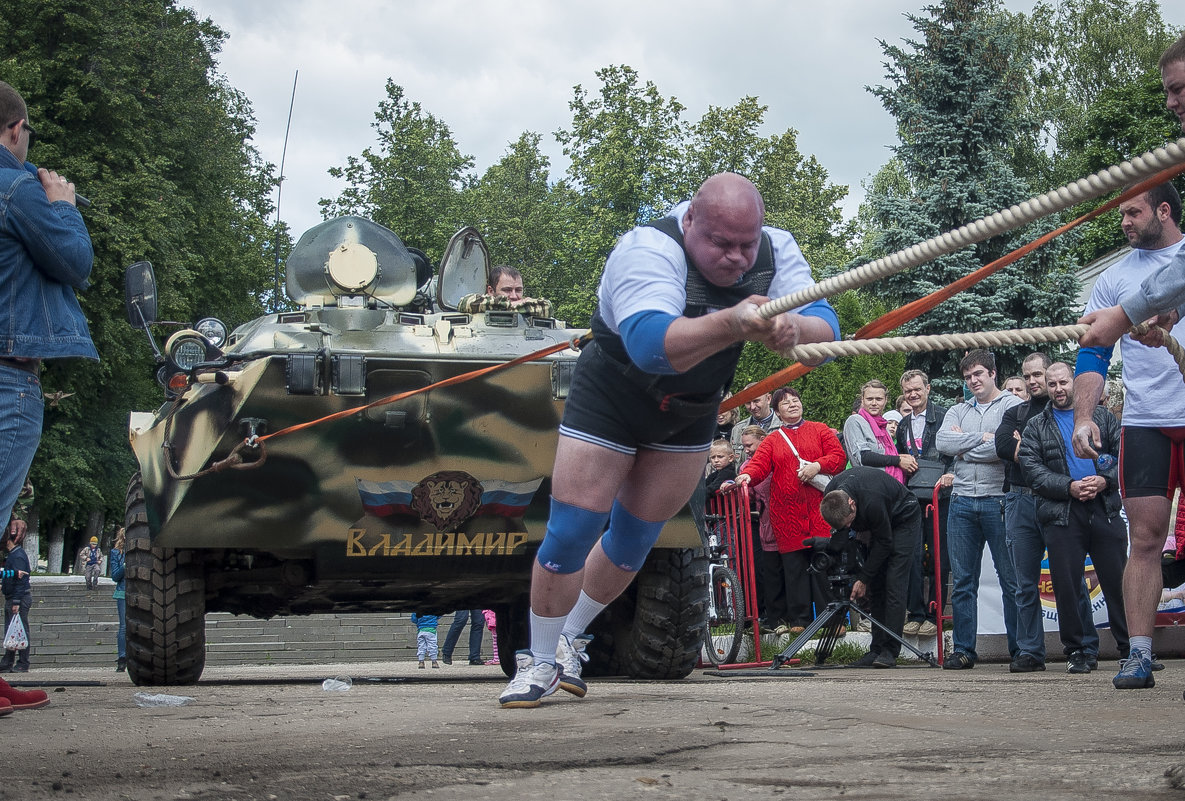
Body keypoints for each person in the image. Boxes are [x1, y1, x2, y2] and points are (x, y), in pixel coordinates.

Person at [498, 172, 839, 708]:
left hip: (691, 408)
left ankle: (570, 638)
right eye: (721, 244)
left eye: (746, 245)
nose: (736, 259)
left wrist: (794, 327)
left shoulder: (776, 250)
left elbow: (827, 326)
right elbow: (651, 347)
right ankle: (537, 662)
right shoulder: (648, 249)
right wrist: (732, 323)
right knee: (572, 529)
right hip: (613, 395)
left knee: (636, 537)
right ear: (690, 223)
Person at [1073, 180, 1185, 690]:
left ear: (1163, 210)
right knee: (1144, 539)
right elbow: (1093, 352)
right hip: (1145, 422)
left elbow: (1172, 300)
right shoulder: (1114, 280)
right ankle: (1139, 654)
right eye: (1121, 214)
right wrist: (1083, 417)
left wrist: (1167, 318)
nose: (1124, 222)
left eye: (1133, 212)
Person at [0, 82, 97, 534]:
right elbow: (74, 262)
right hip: (7, 378)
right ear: (15, 129)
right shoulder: (16, 188)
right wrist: (63, 206)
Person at [1018, 363, 1129, 674]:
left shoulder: (1104, 418)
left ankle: (1131, 648)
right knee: (1066, 585)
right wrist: (1069, 487)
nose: (1058, 389)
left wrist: (1105, 480)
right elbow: (1032, 470)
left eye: (1063, 382)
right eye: (1051, 384)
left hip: (1104, 507)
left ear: (1075, 383)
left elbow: (1125, 458)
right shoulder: (1035, 426)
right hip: (1062, 513)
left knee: (1119, 581)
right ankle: (1078, 651)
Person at [1077, 35, 1185, 349]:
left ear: (1164, 211)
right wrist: (1175, 309)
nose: (1169, 103)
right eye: (1167, 92)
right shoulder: (1112, 277)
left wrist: (1126, 314)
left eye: (1178, 89)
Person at [997, 354, 1098, 673]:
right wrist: (1028, 450)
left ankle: (1084, 647)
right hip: (1020, 502)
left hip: (1058, 501)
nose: (1033, 381)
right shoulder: (1013, 413)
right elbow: (1004, 448)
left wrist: (1026, 447)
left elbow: (1048, 456)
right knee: (1023, 583)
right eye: (1027, 376)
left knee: (1070, 579)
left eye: (1038, 375)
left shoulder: (1069, 413)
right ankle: (1029, 651)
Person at [731, 388, 848, 634]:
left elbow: (838, 457)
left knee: (823, 566)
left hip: (820, 512)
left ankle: (833, 621)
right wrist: (746, 476)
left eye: (795, 400)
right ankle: (800, 621)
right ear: (776, 412)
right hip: (787, 515)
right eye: (785, 403)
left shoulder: (820, 429)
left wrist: (817, 466)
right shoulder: (773, 439)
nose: (792, 405)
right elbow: (759, 465)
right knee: (794, 569)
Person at [936, 350, 1022, 669]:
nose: (973, 381)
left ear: (993, 374)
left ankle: (1021, 650)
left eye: (979, 375)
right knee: (963, 581)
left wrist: (967, 448)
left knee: (1010, 578)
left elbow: (1004, 447)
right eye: (968, 377)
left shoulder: (1011, 405)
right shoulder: (958, 409)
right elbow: (944, 443)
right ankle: (963, 650)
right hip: (961, 502)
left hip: (998, 500)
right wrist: (981, 439)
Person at [819, 467, 923, 668]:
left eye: (850, 523)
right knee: (876, 586)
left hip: (903, 516)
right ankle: (875, 649)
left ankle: (890, 650)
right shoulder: (832, 496)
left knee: (893, 581)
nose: (849, 527)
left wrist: (863, 577)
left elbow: (885, 542)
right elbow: (841, 535)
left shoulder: (872, 500)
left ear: (852, 504)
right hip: (877, 520)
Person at [895, 369, 952, 638]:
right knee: (914, 554)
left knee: (939, 556)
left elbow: (953, 452)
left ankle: (935, 612)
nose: (913, 394)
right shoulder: (904, 424)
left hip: (940, 497)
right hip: (913, 497)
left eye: (918, 389)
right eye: (908, 391)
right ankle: (916, 612)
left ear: (928, 389)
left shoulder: (944, 416)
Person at [738, 425, 786, 631]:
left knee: (789, 571)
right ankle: (772, 618)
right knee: (768, 571)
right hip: (764, 524)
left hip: (785, 521)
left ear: (763, 439)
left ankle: (793, 618)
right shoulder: (746, 467)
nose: (746, 449)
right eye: (743, 446)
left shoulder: (777, 457)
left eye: (749, 445)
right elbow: (747, 499)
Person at [843, 379, 917, 484]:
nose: (874, 403)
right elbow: (864, 457)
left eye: (878, 399)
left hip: (890, 483)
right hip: (868, 484)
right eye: (869, 399)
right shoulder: (855, 420)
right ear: (862, 400)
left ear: (885, 400)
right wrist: (898, 460)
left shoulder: (883, 426)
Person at [457, 264, 553, 317]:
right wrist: (512, 305)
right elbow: (465, 303)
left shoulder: (529, 307)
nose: (514, 296)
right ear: (490, 291)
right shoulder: (481, 303)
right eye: (507, 290)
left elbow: (547, 306)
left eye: (518, 290)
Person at [0, 525, 32, 672]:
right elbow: (13, 574)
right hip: (13, 596)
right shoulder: (14, 555)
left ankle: (22, 662)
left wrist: (17, 601)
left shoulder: (17, 556)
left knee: (20, 630)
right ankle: (8, 662)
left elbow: (22, 580)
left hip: (17, 597)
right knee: (12, 631)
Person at [729, 383, 781, 462]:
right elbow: (732, 464)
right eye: (748, 403)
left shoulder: (783, 427)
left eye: (756, 401)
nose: (752, 407)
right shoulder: (738, 430)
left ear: (768, 399)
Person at [109, 527, 127, 671]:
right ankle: (122, 657)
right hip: (123, 592)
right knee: (124, 626)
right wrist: (125, 566)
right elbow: (115, 575)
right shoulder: (116, 553)